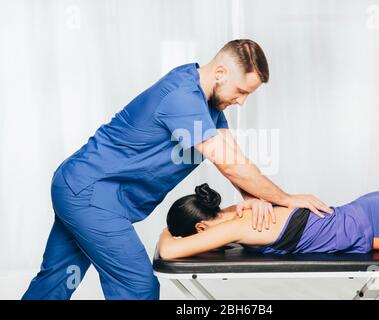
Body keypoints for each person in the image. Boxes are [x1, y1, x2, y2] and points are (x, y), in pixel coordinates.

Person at [22, 39, 333, 300]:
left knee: (58, 280)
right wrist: (287, 198)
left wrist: (249, 196)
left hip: (79, 187)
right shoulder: (182, 97)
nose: (241, 102)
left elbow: (232, 158)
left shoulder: (208, 104)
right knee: (137, 287)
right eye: (241, 91)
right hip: (89, 193)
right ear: (221, 73)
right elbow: (232, 165)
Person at [159, 183, 379, 259]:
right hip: (370, 209)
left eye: (196, 238)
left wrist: (168, 232)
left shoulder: (235, 225)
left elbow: (169, 250)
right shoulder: (241, 208)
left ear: (200, 227)